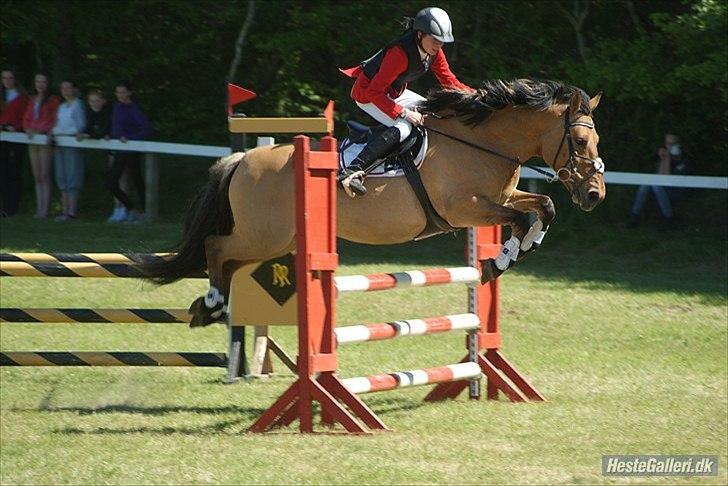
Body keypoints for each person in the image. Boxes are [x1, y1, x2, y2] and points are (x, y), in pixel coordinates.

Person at [337, 6, 474, 197]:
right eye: (435, 40)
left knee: (431, 111)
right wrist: (404, 112)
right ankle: (352, 172)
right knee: (404, 128)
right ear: (420, 34)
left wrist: (476, 96)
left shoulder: (434, 52)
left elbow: (449, 81)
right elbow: (374, 92)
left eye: (442, 42)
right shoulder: (399, 54)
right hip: (367, 94)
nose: (438, 46)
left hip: (393, 93)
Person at [80, 89, 127, 222]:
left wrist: (91, 135)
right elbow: (90, 128)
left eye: (97, 100)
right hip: (111, 149)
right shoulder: (91, 113)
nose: (94, 103)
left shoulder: (110, 111)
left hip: (121, 146)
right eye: (91, 101)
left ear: (103, 101)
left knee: (122, 178)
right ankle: (117, 209)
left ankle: (124, 208)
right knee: (115, 178)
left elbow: (105, 130)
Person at [108, 81, 153, 223]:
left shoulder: (133, 109)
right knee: (111, 183)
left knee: (136, 179)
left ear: (129, 93)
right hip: (119, 150)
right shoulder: (115, 107)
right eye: (118, 92)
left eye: (122, 92)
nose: (120, 95)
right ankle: (132, 209)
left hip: (131, 150)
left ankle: (145, 212)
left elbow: (147, 130)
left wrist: (130, 138)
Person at [627, 133, 686, 230]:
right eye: (667, 144)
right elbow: (660, 177)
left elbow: (667, 180)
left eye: (672, 144)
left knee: (656, 186)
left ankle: (669, 219)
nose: (669, 147)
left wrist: (667, 158)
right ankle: (634, 216)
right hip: (663, 189)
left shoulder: (682, 159)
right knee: (645, 185)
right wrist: (664, 159)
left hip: (677, 190)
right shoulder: (665, 156)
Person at [22, 73, 60, 219]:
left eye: (43, 82)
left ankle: (45, 208)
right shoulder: (32, 100)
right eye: (38, 81)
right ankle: (39, 208)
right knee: (37, 175)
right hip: (33, 140)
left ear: (48, 83)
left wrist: (41, 129)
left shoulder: (53, 100)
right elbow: (26, 118)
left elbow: (54, 119)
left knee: (44, 174)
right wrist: (28, 129)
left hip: (44, 140)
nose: (40, 84)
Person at [51, 80, 87, 221]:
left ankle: (72, 211)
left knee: (72, 176)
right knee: (61, 176)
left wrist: (61, 132)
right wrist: (56, 132)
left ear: (74, 89)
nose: (65, 90)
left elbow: (80, 127)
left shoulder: (78, 105)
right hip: (60, 144)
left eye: (68, 87)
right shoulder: (61, 107)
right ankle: (64, 210)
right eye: (63, 88)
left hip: (72, 145)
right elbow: (56, 125)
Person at [0, 68, 29, 217]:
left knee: (14, 172)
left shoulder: (22, 98)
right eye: (4, 78)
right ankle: (4, 205)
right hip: (2, 138)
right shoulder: (2, 97)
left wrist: (16, 127)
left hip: (17, 138)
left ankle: (13, 205)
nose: (7, 81)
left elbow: (26, 118)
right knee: (3, 172)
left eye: (10, 78)